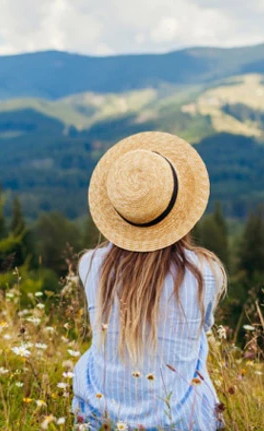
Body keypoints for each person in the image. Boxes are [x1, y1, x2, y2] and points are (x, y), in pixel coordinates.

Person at [72, 132, 226, 430]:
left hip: (102, 420)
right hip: (181, 422)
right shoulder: (206, 272)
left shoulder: (91, 264)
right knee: (196, 343)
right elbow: (203, 328)